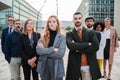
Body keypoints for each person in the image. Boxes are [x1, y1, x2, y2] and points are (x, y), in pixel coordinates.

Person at [66, 12, 101, 80]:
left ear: (82, 19)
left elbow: (96, 46)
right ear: (73, 20)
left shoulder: (90, 32)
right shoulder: (69, 33)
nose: (77, 20)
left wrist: (77, 48)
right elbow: (70, 46)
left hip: (87, 66)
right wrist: (88, 44)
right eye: (75, 18)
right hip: (74, 66)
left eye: (79, 18)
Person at [36, 15, 66, 80]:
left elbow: (60, 53)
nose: (51, 23)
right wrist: (52, 49)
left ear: (57, 24)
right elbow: (38, 50)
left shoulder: (62, 37)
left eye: (54, 21)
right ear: (48, 24)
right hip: (44, 64)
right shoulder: (43, 36)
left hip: (56, 64)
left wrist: (44, 52)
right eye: (49, 22)